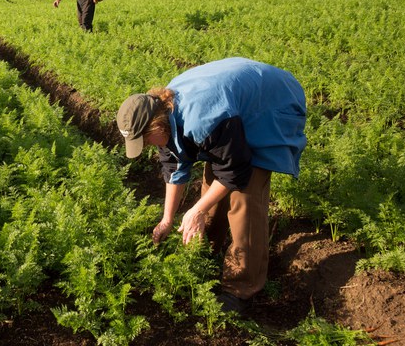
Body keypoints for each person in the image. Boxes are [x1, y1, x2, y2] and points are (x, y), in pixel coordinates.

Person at [116, 57, 307, 314]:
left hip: (271, 104)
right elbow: (174, 167)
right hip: (232, 111)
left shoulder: (203, 118)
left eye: (146, 140)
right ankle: (209, 253)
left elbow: (234, 168)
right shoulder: (165, 114)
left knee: (244, 196)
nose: (148, 146)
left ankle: (241, 287)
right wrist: (167, 219)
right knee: (211, 188)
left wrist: (197, 211)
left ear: (156, 124)